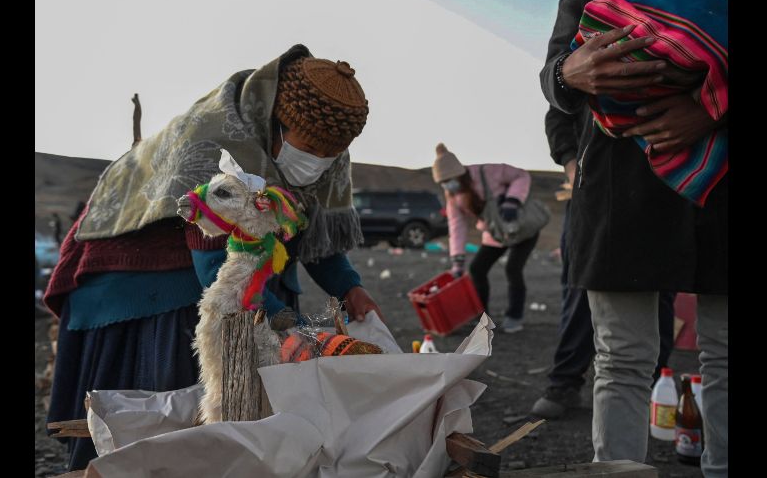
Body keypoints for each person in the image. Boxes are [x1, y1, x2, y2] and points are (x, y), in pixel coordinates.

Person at [44, 44, 382, 471]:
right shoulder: (214, 141)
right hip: (157, 279)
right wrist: (290, 326)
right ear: (275, 123)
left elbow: (318, 237)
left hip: (253, 269)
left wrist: (350, 288)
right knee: (182, 409)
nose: (318, 160)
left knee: (261, 402)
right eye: (308, 147)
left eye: (327, 152)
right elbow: (216, 273)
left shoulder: (328, 150)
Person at [540, 0, 727, 475]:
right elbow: (553, 74)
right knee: (622, 358)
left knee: (726, 352)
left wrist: (711, 110)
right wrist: (570, 73)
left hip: (720, 173)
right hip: (619, 181)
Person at [530, 105, 677, 419]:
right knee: (581, 285)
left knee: (661, 290)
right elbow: (559, 111)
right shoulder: (575, 61)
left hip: (665, 185)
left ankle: (654, 386)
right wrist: (573, 166)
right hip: (593, 188)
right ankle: (565, 381)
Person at [431, 142, 538, 334]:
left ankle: (514, 316)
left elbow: (521, 175)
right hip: (495, 233)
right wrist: (457, 261)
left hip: (520, 227)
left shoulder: (487, 172)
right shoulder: (453, 196)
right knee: (477, 269)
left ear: (460, 173)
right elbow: (457, 226)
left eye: (450, 180)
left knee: (513, 268)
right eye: (444, 183)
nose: (448, 185)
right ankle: (482, 317)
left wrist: (512, 201)